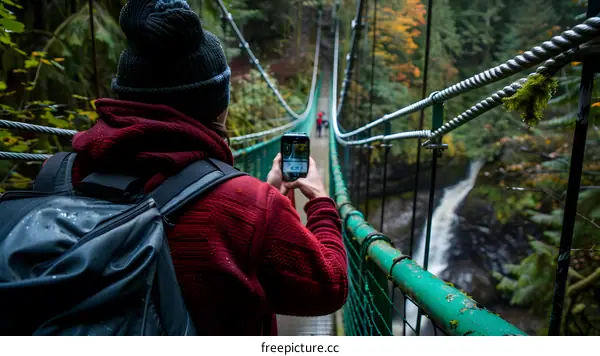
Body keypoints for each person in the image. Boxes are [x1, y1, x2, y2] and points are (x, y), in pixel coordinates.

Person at [62, 0, 348, 335]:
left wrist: (263, 194)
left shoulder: (59, 177)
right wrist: (320, 201)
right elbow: (330, 287)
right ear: (218, 104)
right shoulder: (248, 207)